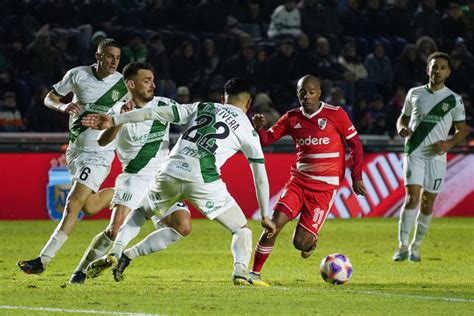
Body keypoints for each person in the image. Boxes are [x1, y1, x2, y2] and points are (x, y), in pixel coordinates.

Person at [81, 78, 276, 285]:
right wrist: (265, 214)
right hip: (204, 180)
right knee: (241, 229)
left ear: (222, 98)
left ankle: (118, 251)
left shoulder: (202, 106)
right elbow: (260, 176)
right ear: (249, 103)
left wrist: (115, 120)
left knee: (142, 212)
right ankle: (240, 273)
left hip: (169, 171)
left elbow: (153, 112)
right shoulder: (248, 129)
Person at [68, 62, 191, 284]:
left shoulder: (165, 105)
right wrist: (119, 122)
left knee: (182, 226)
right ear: (131, 84)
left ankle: (125, 256)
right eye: (146, 81)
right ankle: (80, 270)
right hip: (133, 178)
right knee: (115, 231)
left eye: (153, 80)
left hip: (163, 180)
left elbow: (190, 120)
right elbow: (103, 141)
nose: (152, 85)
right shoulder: (117, 110)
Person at [17, 38, 128, 275]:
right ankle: (127, 192)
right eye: (109, 56)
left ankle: (43, 260)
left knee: (73, 203)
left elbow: (132, 113)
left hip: (100, 153)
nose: (114, 62)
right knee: (89, 207)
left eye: (118, 58)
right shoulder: (77, 75)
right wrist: (62, 107)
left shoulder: (122, 84)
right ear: (98, 56)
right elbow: (49, 98)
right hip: (76, 150)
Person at [249, 74, 367, 285]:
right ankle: (254, 273)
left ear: (320, 93)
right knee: (273, 226)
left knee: (301, 243)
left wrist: (356, 176)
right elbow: (267, 140)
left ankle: (310, 244)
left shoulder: (335, 114)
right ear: (298, 94)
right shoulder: (291, 118)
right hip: (298, 183)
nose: (307, 96)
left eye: (311, 92)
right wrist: (258, 128)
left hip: (324, 190)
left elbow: (355, 144)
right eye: (303, 92)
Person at [392, 52, 468, 262]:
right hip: (415, 150)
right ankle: (402, 246)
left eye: (443, 67)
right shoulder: (414, 93)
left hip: (437, 156)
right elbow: (403, 118)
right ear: (428, 69)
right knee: (412, 197)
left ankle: (416, 247)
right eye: (434, 67)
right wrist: (401, 129)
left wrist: (449, 143)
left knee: (427, 202)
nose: (438, 71)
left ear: (448, 72)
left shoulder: (454, 99)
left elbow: (462, 129)